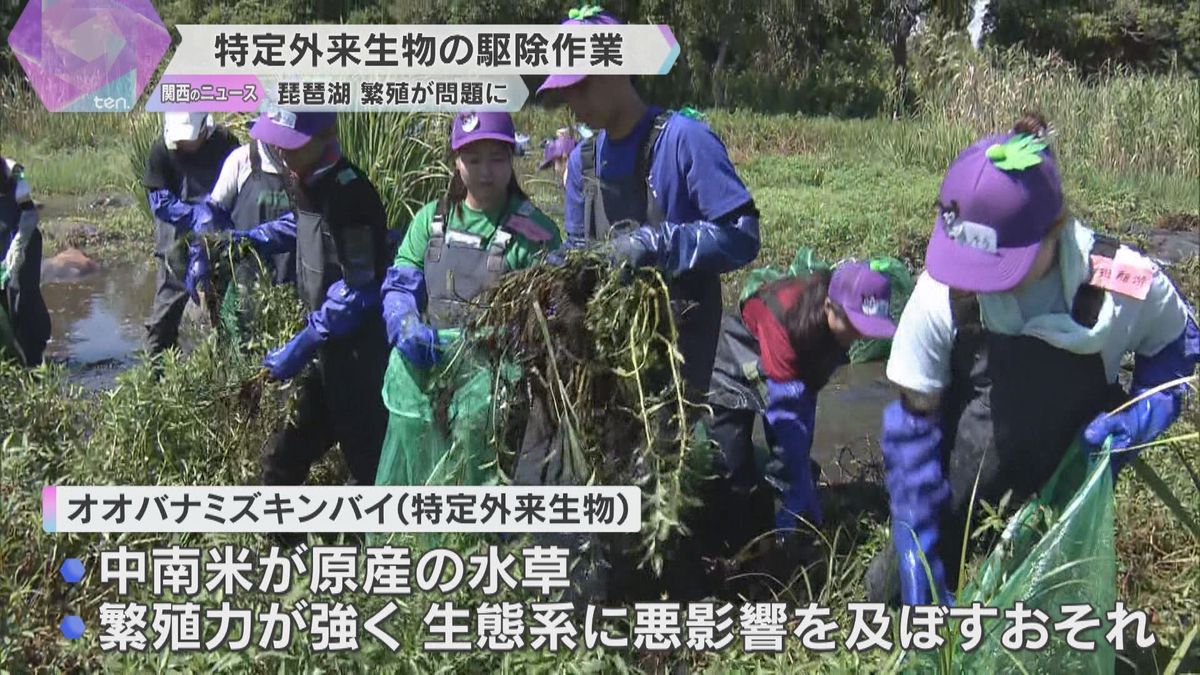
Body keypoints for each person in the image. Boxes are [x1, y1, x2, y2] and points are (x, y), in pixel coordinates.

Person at [868, 114, 1200, 607]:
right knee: (892, 591)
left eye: (1000, 266)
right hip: (961, 486)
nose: (980, 281)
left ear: (1056, 228)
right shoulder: (942, 294)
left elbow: (1177, 348)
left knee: (1045, 621)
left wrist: (1135, 421)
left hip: (1062, 498)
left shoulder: (1121, 286)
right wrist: (918, 541)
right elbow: (914, 425)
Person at [375, 111, 562, 487]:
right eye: (472, 160)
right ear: (456, 162)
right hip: (432, 374)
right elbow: (402, 281)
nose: (485, 172)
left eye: (496, 158)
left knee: (479, 484)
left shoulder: (534, 233)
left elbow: (554, 312)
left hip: (495, 388)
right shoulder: (431, 220)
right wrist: (404, 318)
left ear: (512, 158)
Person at [231, 110, 391, 509]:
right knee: (282, 462)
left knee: (369, 468)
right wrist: (252, 240)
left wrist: (303, 342)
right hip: (326, 354)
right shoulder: (306, 177)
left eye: (292, 142)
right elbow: (304, 226)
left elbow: (359, 289)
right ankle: (283, 551)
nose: (282, 151)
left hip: (360, 358)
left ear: (326, 136)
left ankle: (375, 557)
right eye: (279, 140)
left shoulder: (350, 193)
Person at [704, 261, 899, 557]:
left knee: (798, 456)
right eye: (856, 325)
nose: (861, 335)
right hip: (737, 355)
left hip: (790, 365)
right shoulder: (786, 320)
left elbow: (805, 404)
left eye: (867, 328)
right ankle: (734, 550)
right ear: (830, 306)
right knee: (731, 464)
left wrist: (802, 482)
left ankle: (783, 521)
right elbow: (786, 420)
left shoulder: (835, 330)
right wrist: (793, 485)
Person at [141, 112, 239, 355]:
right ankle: (156, 365)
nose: (184, 145)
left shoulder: (225, 142)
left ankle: (226, 361)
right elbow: (159, 200)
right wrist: (193, 216)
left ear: (204, 129)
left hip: (217, 227)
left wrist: (214, 217)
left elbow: (238, 183)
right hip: (175, 230)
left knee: (225, 299)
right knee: (168, 302)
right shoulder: (161, 150)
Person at [205, 131, 295, 344]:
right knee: (241, 342)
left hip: (293, 284)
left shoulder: (303, 165)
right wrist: (206, 246)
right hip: (245, 283)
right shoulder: (242, 160)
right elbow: (214, 214)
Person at [0, 155, 50, 367]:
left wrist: (18, 246)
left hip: (23, 238)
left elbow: (29, 214)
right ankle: (8, 358)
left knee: (23, 296)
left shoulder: (14, 176)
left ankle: (32, 359)